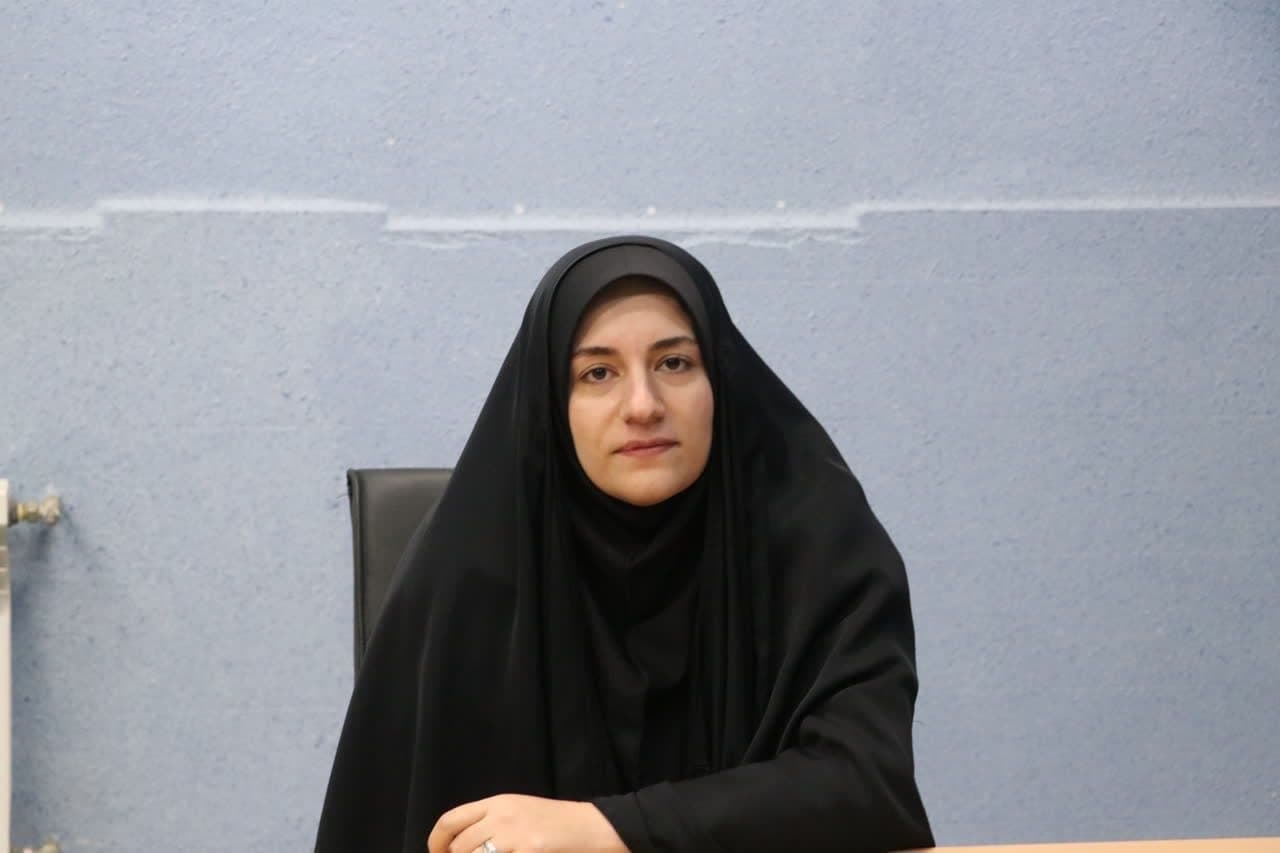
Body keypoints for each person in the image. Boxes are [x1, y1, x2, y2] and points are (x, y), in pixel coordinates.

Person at [315, 236, 934, 852]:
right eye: (598, 373)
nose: (643, 405)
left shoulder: (817, 540)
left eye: (674, 364)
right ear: (552, 407)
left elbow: (866, 785)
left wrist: (608, 828)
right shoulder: (466, 572)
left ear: (720, 379)